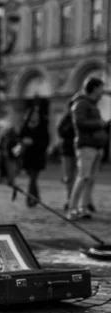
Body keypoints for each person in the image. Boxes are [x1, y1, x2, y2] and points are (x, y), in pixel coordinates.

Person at [67, 77, 108, 220]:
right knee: (83, 177)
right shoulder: (81, 103)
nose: (103, 90)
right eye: (102, 87)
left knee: (91, 179)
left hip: (96, 145)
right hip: (86, 145)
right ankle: (72, 208)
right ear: (95, 88)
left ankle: (83, 207)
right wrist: (100, 123)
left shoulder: (93, 104)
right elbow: (79, 122)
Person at [19, 106, 49, 208]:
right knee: (32, 179)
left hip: (38, 156)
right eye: (33, 114)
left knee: (32, 178)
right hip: (27, 156)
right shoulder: (25, 125)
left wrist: (34, 142)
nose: (35, 116)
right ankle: (36, 197)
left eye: (36, 115)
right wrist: (24, 141)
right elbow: (20, 137)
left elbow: (46, 141)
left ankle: (29, 199)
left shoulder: (42, 126)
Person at [57, 97, 79, 210]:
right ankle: (69, 199)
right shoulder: (66, 119)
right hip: (67, 151)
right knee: (69, 177)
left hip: (78, 150)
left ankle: (79, 201)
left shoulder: (80, 117)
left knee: (80, 177)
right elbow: (60, 131)